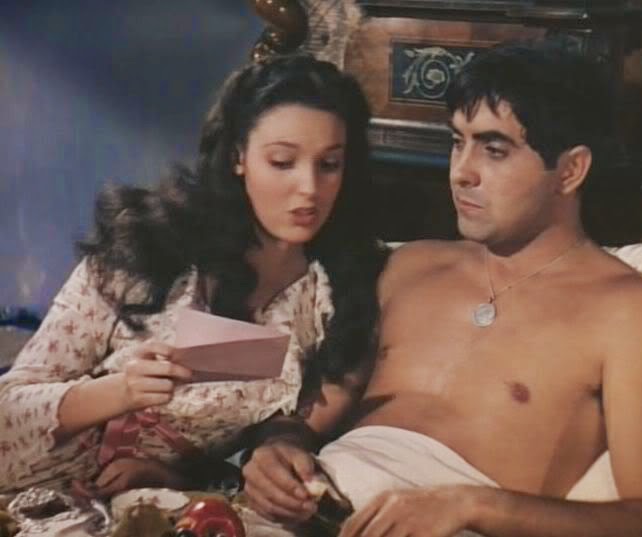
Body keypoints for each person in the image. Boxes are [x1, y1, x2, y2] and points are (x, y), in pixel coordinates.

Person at [241, 42, 642, 537]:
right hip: (296, 515)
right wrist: (277, 448)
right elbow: (316, 406)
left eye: (494, 149)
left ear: (570, 171)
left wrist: (473, 506)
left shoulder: (634, 315)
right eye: (457, 142)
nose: (461, 172)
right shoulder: (408, 266)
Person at [0, 54, 387, 498]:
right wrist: (120, 391)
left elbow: (271, 455)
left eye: (329, 164)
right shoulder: (147, 248)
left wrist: (173, 478)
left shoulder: (335, 300)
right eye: (283, 162)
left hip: (155, 511)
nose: (310, 188)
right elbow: (7, 413)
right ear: (239, 156)